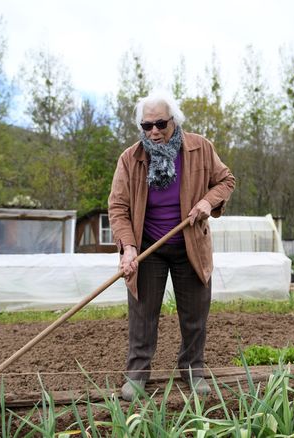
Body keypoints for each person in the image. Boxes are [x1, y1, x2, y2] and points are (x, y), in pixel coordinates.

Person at [108, 90, 235, 401]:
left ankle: (193, 369)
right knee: (143, 314)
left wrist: (208, 201)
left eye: (161, 124)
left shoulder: (200, 148)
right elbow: (118, 207)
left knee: (194, 314)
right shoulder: (131, 158)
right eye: (147, 126)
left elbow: (226, 180)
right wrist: (128, 248)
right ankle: (137, 374)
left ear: (174, 122)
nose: (154, 132)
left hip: (189, 244)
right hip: (147, 247)